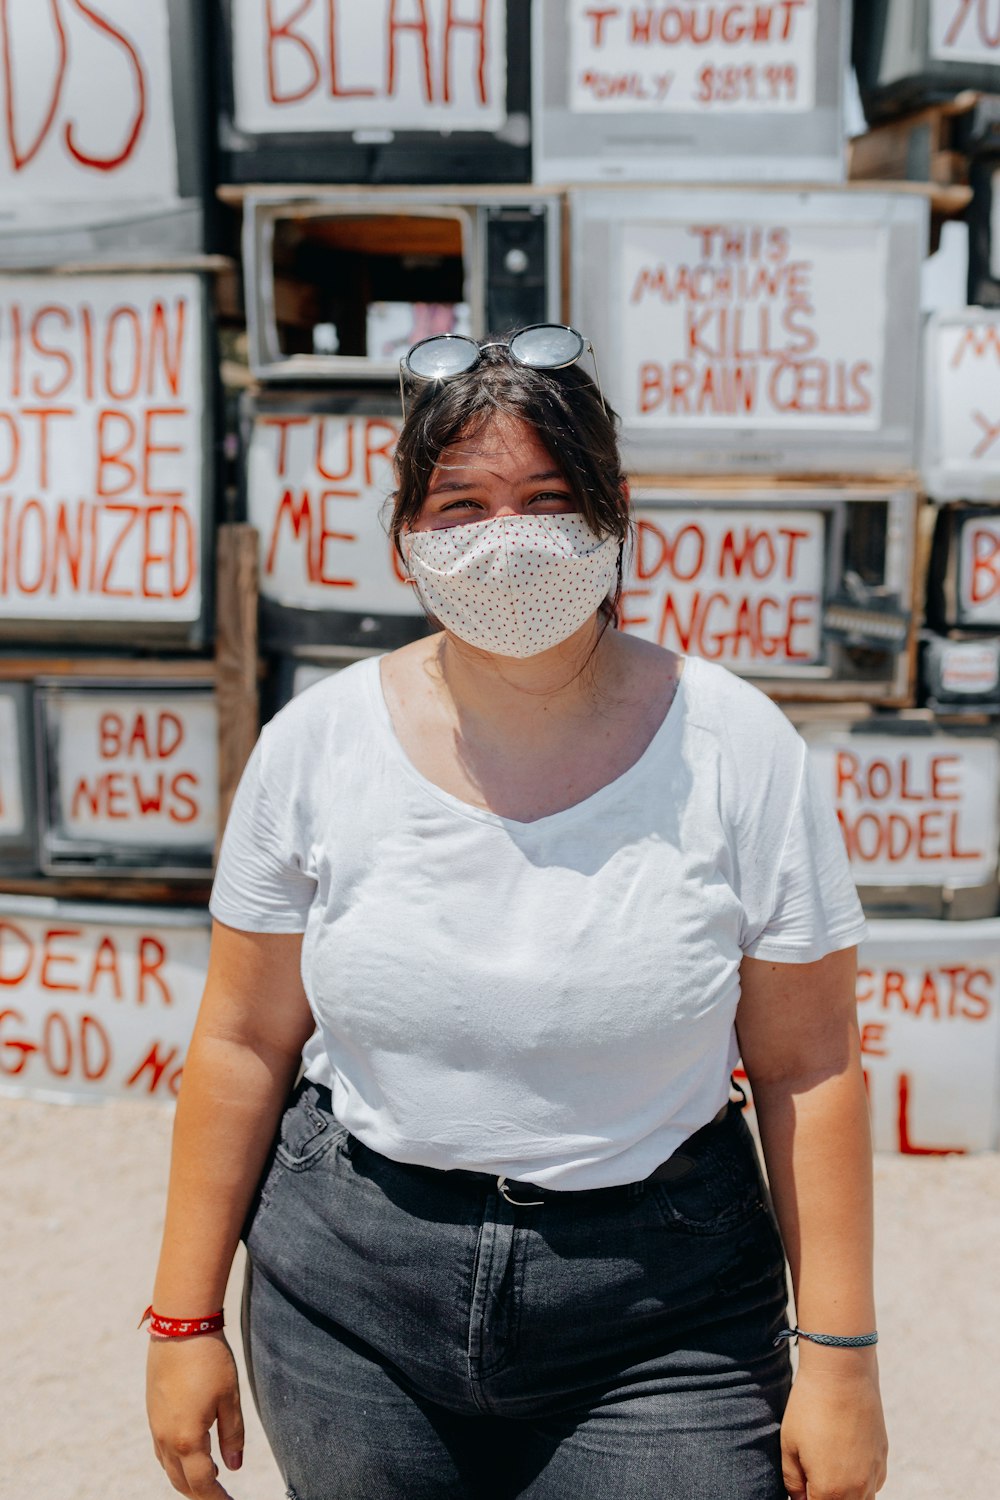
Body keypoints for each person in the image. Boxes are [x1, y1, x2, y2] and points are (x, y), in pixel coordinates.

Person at [145, 325, 888, 1500]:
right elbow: (241, 1041)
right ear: (406, 537)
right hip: (348, 1306)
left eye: (547, 498)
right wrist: (181, 1323)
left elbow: (808, 1065)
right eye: (463, 505)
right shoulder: (314, 747)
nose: (508, 540)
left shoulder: (738, 748)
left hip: (664, 1315)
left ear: (614, 514)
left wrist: (841, 1362)